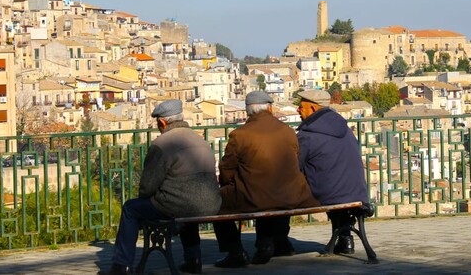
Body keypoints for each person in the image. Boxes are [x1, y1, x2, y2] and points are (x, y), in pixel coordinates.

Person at [99, 100, 221, 275]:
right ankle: (193, 259)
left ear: (162, 122)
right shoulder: (200, 139)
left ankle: (121, 265)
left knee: (130, 209)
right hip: (211, 203)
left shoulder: (162, 144)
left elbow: (148, 186)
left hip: (179, 205)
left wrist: (146, 198)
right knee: (189, 204)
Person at [213, 90, 320, 268]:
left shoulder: (240, 135)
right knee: (271, 191)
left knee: (216, 204)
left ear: (248, 111)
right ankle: (279, 242)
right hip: (292, 195)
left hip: (256, 196)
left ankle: (235, 252)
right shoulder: (288, 131)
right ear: (269, 108)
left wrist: (228, 184)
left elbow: (227, 168)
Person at [296, 90, 368, 255]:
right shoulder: (345, 128)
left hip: (330, 194)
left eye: (301, 107)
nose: (297, 110)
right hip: (357, 192)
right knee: (335, 184)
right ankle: (345, 238)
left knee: (281, 190)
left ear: (313, 109)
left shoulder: (307, 135)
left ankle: (274, 242)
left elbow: (294, 167)